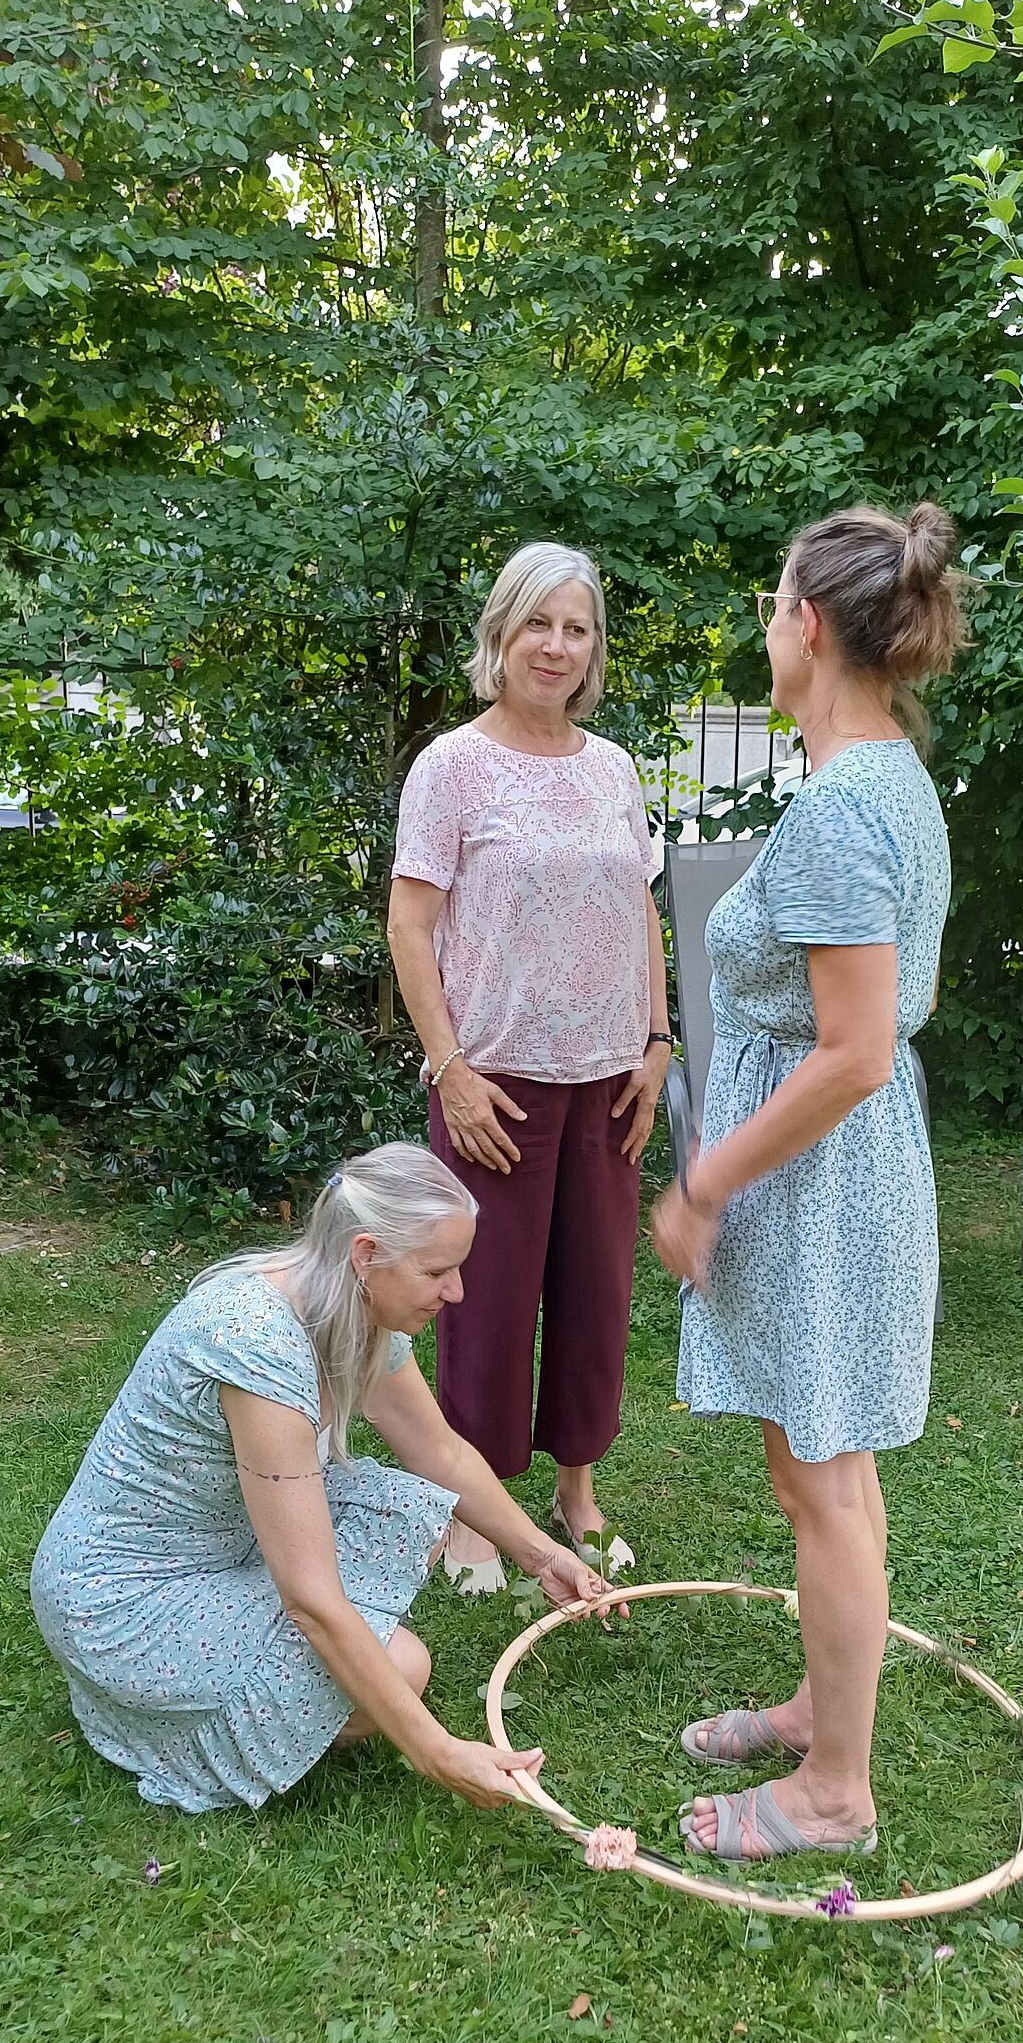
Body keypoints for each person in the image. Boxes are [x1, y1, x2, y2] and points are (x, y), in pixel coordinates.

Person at [651, 502, 964, 1863]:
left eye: (774, 604)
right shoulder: (886, 777)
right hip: (840, 1177)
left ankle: (836, 1792)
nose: (765, 627)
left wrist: (705, 1181)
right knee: (822, 1468)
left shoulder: (844, 807)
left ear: (812, 625)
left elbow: (852, 1054)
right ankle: (820, 1709)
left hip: (825, 1183)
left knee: (822, 1481)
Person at [30, 1146, 614, 1814]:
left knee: (415, 1515)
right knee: (404, 1668)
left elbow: (440, 1453)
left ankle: (274, 1659)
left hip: (225, 1538)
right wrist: (438, 1752)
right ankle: (159, 1713)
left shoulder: (351, 1308)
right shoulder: (256, 1346)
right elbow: (309, 1600)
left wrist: (542, 1556)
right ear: (366, 1255)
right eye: (436, 1271)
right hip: (119, 1594)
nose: (456, 1292)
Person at [387, 542, 671, 1587]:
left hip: (610, 1080)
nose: (556, 646)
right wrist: (448, 1068)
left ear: (594, 649)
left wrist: (657, 1043)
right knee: (485, 1307)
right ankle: (472, 1516)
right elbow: (410, 926)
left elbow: (639, 910)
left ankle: (577, 1492)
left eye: (576, 628)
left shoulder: (613, 769)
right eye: (537, 624)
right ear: (500, 635)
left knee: (595, 1300)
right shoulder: (451, 766)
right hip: (493, 1084)